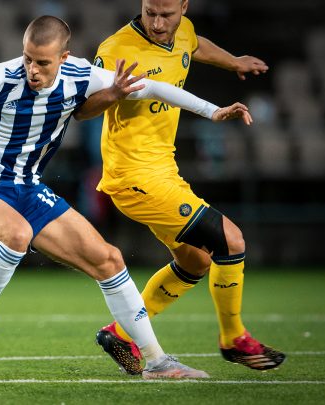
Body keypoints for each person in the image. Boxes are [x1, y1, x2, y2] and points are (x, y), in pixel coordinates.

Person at [0, 15, 251, 379]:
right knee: (16, 234)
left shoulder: (82, 76)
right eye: (27, 58)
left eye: (42, 62)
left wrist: (212, 110)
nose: (32, 69)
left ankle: (157, 361)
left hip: (28, 189)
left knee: (109, 259)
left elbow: (155, 88)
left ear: (64, 58)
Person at [74, 0, 285, 374]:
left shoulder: (182, 31)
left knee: (196, 260)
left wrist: (234, 61)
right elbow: (82, 108)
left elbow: (195, 44)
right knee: (231, 240)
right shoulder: (115, 49)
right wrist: (115, 93)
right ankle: (233, 337)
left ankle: (122, 333)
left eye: (166, 15)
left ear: (184, 8)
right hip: (134, 176)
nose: (156, 23)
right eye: (149, 12)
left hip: (164, 172)